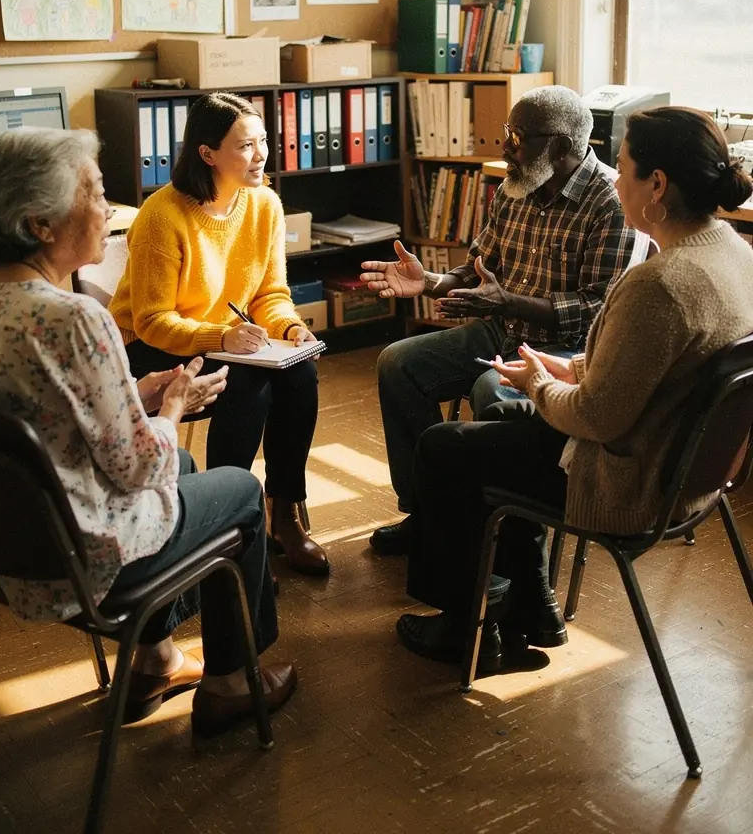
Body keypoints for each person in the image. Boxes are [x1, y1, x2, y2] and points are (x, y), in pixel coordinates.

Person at [0, 128, 296, 734]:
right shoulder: (76, 319)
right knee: (236, 489)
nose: (108, 211)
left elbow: (40, 413)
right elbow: (140, 467)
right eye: (96, 194)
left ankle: (155, 660)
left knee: (184, 471)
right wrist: (174, 406)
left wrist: (139, 391)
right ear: (41, 224)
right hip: (78, 564)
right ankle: (233, 681)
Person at [395, 107, 753, 670]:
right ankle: (529, 607)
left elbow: (596, 418)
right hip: (682, 470)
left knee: (447, 447)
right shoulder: (733, 250)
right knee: (498, 429)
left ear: (656, 184)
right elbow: (650, 365)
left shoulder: (658, 282)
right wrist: (568, 371)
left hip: (627, 481)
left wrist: (539, 382)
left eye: (625, 166)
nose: (615, 177)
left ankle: (466, 630)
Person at [361, 86, 640, 555]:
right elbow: (479, 268)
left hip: (570, 349)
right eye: (506, 132)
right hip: (502, 330)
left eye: (517, 135)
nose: (505, 146)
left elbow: (598, 308)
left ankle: (505, 541)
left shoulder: (612, 203)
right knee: (398, 363)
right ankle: (429, 515)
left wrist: (506, 302)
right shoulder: (518, 186)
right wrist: (429, 280)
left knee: (492, 392)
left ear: (560, 147)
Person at [109, 92, 329, 577]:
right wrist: (220, 339)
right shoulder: (162, 215)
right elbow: (151, 320)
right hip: (150, 348)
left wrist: (290, 327)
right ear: (207, 154)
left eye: (263, 142)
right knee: (246, 387)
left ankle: (285, 514)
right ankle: (231, 534)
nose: (261, 154)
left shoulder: (265, 205)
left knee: (299, 375)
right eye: (245, 146)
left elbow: (270, 293)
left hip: (225, 342)